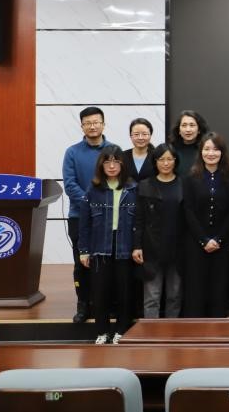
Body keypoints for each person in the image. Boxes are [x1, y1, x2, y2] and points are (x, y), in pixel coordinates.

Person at [78, 144, 137, 344]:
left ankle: (121, 330)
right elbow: (84, 223)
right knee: (100, 292)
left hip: (125, 246)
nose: (112, 166)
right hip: (99, 247)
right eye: (107, 162)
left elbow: (139, 221)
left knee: (124, 292)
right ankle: (102, 331)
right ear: (101, 165)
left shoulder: (132, 188)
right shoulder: (93, 189)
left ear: (123, 164)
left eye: (116, 162)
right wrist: (84, 250)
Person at [62, 106, 109, 324]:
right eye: (87, 123)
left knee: (106, 263)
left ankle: (104, 305)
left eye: (96, 122)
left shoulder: (113, 151)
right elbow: (70, 185)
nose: (92, 126)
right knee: (82, 262)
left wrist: (102, 205)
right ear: (82, 126)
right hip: (79, 217)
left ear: (103, 124)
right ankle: (83, 305)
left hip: (108, 216)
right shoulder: (72, 152)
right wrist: (91, 203)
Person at [182, 132, 229, 317]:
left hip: (222, 242)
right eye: (207, 149)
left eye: (215, 149)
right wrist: (203, 240)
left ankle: (219, 330)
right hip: (196, 243)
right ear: (201, 152)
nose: (211, 153)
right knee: (195, 289)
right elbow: (188, 210)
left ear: (222, 152)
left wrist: (219, 239)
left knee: (219, 289)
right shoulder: (190, 178)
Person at [132, 143, 184, 319]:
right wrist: (137, 246)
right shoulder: (145, 185)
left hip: (177, 250)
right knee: (152, 298)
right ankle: (151, 333)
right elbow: (139, 219)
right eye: (161, 159)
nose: (166, 163)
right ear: (155, 162)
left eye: (170, 159)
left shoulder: (183, 184)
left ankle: (172, 332)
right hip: (151, 249)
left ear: (176, 161)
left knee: (174, 297)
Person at [168, 110, 209, 178]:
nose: (188, 130)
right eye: (184, 125)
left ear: (199, 130)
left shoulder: (206, 150)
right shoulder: (170, 150)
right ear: (179, 130)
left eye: (192, 125)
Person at [123, 118, 155, 183]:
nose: (140, 138)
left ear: (150, 135)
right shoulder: (122, 156)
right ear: (131, 136)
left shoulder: (157, 156)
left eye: (144, 134)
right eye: (136, 134)